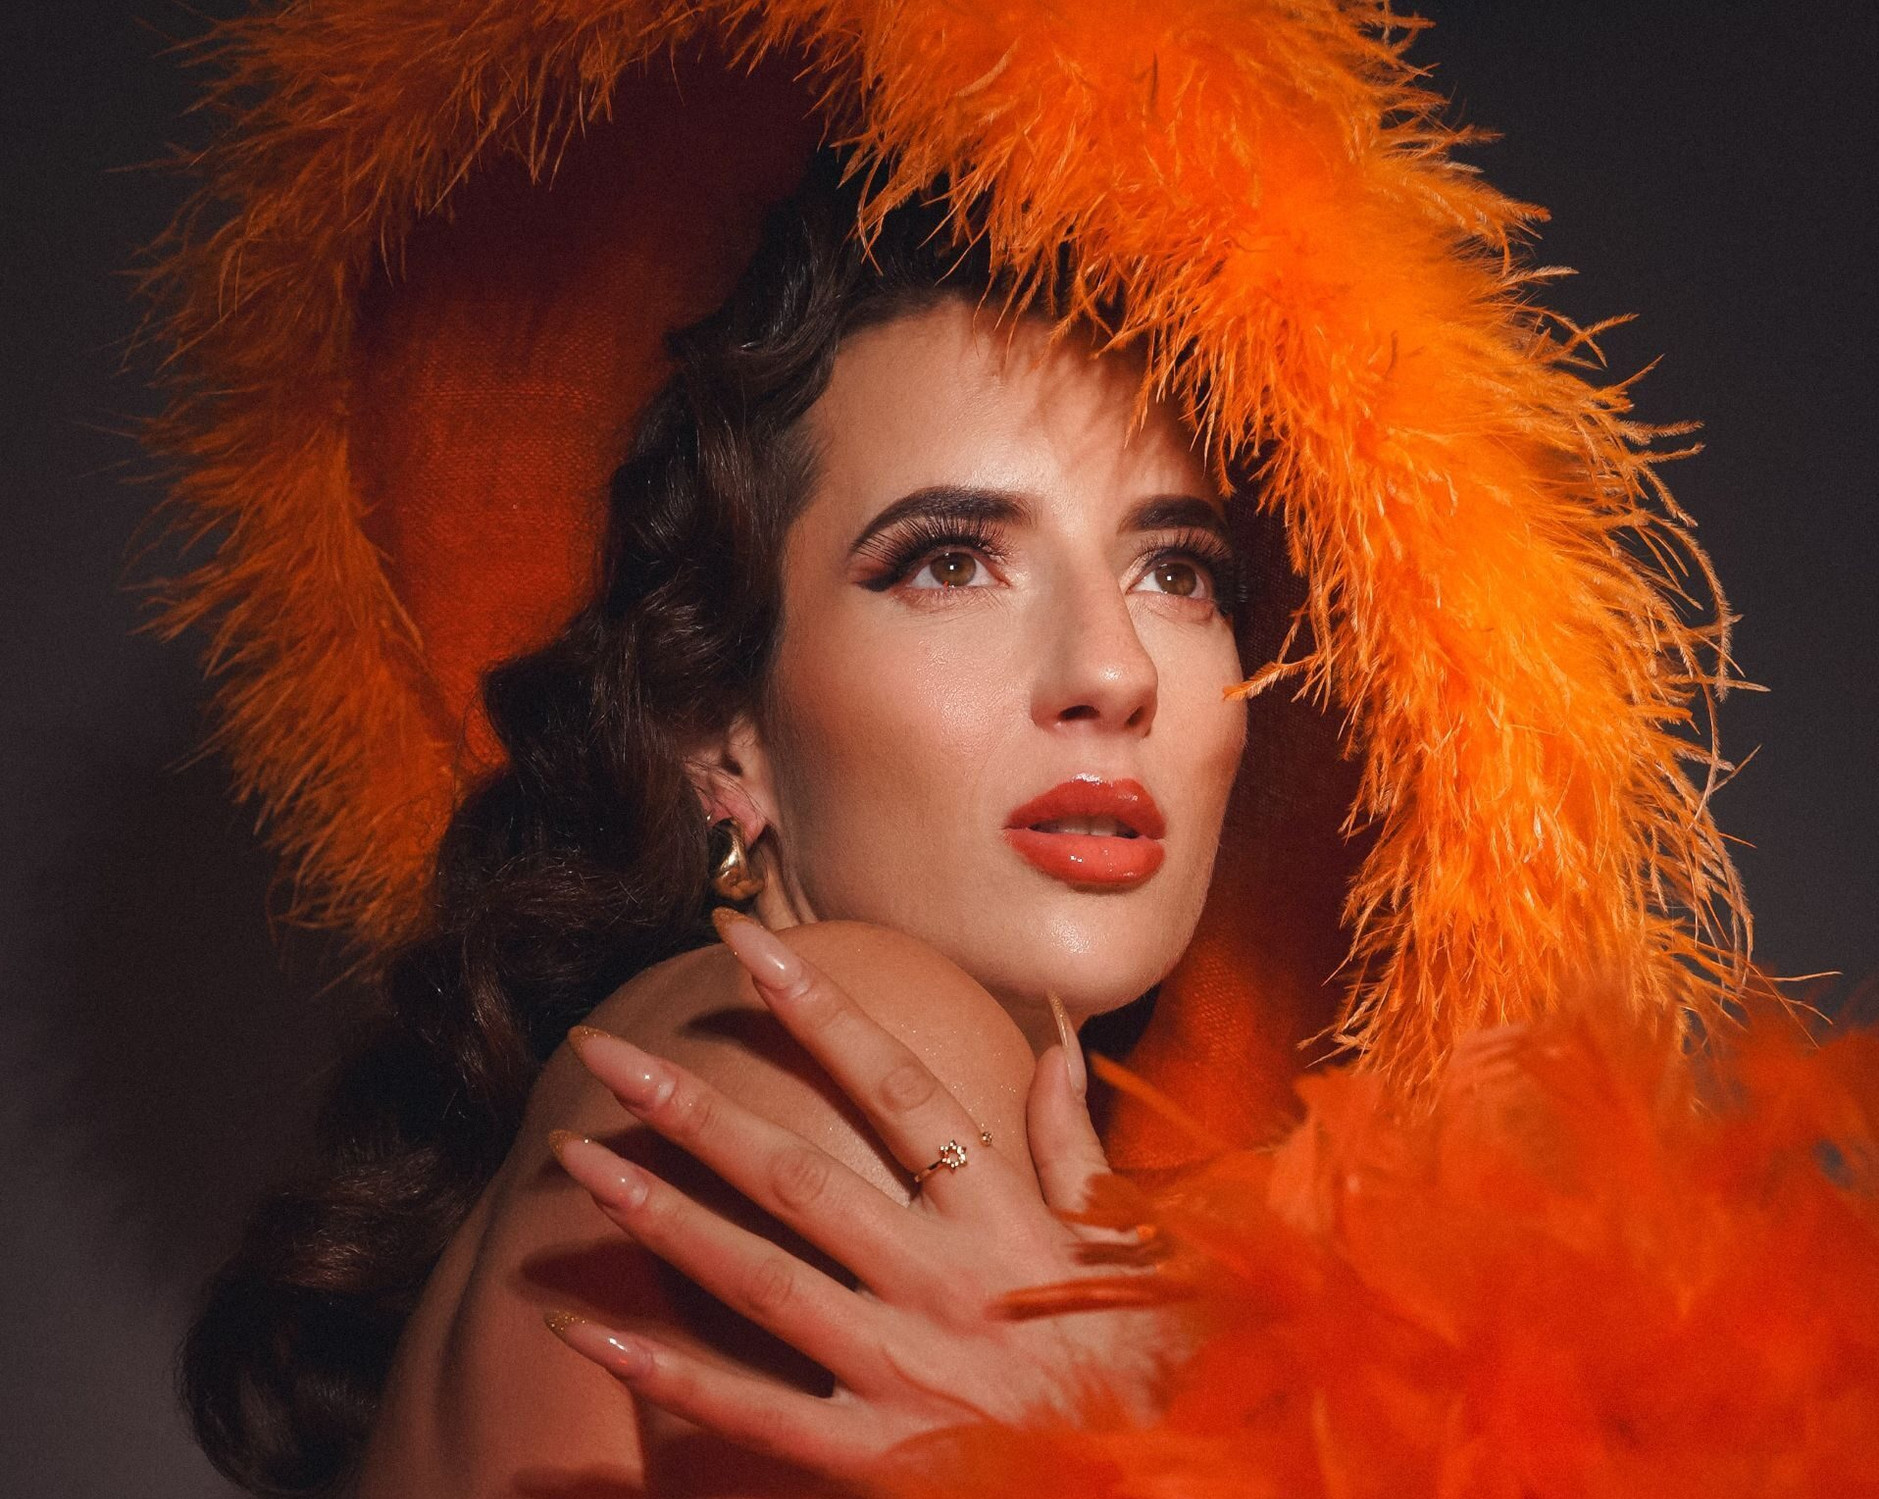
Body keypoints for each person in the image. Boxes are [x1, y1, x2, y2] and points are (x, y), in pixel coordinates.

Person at [153, 4, 1796, 1496]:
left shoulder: (703, 1067)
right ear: (723, 738)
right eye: (948, 560)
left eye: (1179, 572)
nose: (1111, 672)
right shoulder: (836, 1031)